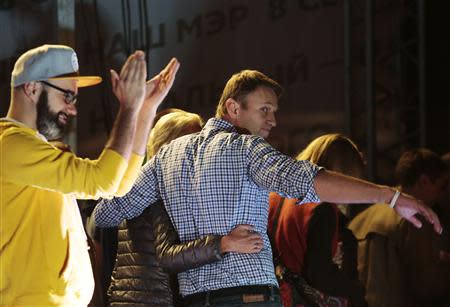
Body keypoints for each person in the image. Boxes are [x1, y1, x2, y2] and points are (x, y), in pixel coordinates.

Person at [93, 70, 441, 307]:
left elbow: (106, 213)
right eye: (264, 110)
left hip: (195, 300)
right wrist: (389, 196)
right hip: (250, 297)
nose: (272, 120)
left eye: (274, 110)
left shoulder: (167, 156)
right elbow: (307, 180)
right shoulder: (246, 149)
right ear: (233, 108)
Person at [0, 44, 179, 306]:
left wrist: (144, 110)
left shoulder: (33, 147)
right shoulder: (11, 146)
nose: (72, 109)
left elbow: (117, 186)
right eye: (67, 97)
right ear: (32, 88)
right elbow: (102, 179)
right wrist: (129, 108)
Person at [107, 108, 264, 307]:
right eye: (192, 139)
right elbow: (169, 256)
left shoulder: (146, 185)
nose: (199, 147)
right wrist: (225, 243)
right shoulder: (159, 191)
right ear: (167, 146)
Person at [268, 133, 368, 307]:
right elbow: (320, 274)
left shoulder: (275, 196)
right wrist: (356, 292)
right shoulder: (321, 206)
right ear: (343, 175)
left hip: (273, 295)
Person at [349, 148, 450, 307]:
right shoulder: (415, 220)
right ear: (423, 181)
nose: (442, 195)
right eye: (442, 186)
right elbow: (426, 286)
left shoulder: (361, 218)